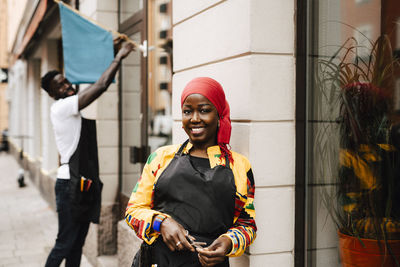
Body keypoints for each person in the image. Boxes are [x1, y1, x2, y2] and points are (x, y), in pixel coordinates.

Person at [125, 77, 257, 267]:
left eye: (204, 110)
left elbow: (247, 224)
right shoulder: (161, 158)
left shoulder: (239, 166)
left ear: (219, 115)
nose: (195, 118)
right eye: (188, 111)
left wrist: (228, 242)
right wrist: (161, 223)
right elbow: (132, 211)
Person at [41, 37, 134, 267]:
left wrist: (109, 53)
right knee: (64, 243)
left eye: (65, 81)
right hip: (69, 186)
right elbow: (100, 86)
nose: (67, 86)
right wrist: (119, 57)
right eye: (60, 86)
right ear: (53, 94)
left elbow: (94, 81)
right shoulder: (62, 108)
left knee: (76, 244)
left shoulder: (69, 104)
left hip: (79, 184)